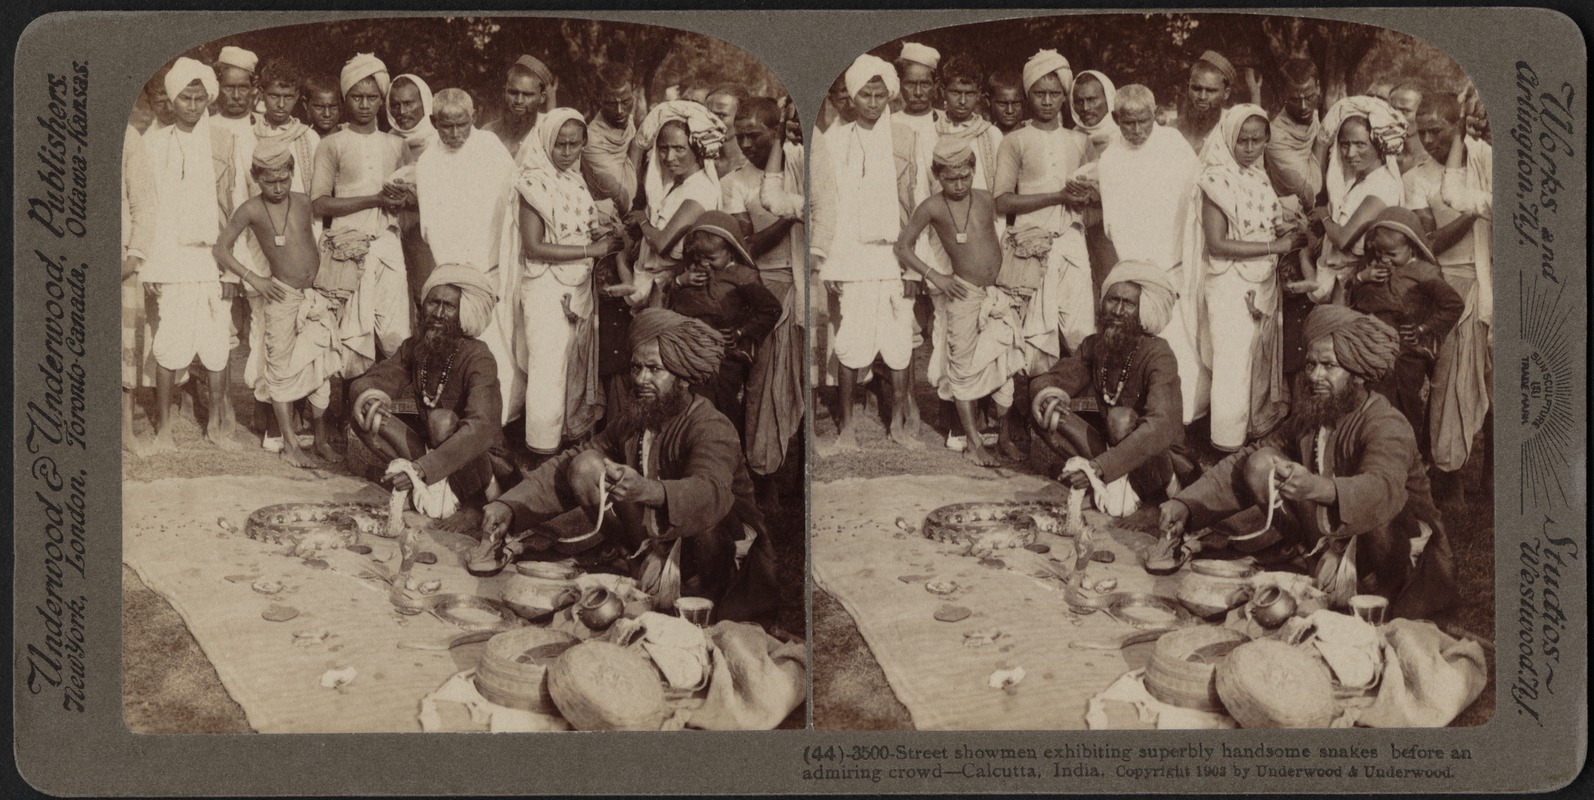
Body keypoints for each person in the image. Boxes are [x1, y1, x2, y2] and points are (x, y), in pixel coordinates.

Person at [1159, 305, 1456, 621]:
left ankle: (1382, 598)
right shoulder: (1313, 415)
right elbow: (1248, 459)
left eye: (1329, 366)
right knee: (1261, 463)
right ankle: (1318, 566)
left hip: (1403, 553)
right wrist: (1186, 505)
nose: (1315, 376)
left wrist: (1320, 487)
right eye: (1311, 364)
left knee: (1382, 513)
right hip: (1339, 541)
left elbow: (1382, 489)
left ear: (1358, 374)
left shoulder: (1387, 424)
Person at [480, 308, 776, 623]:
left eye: (654, 369)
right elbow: (569, 465)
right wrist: (508, 507)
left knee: (711, 523)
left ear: (684, 377)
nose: (640, 379)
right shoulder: (635, 421)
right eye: (636, 367)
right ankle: (644, 559)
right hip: (662, 541)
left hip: (724, 555)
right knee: (584, 466)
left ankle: (705, 604)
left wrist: (648, 490)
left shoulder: (711, 426)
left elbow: (709, 492)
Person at [350, 265, 518, 532]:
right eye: (433, 303)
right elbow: (376, 378)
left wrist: (421, 469)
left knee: (442, 422)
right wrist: (370, 395)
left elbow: (481, 428)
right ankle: (421, 489)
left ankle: (475, 504)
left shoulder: (479, 356)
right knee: (366, 411)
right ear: (423, 304)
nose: (438, 314)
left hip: (481, 461)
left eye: (449, 306)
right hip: (431, 454)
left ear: (464, 311)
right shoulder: (416, 346)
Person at [816, 55, 925, 453]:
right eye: (866, 94)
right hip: (853, 256)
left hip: (895, 258)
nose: (874, 102)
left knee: (898, 341)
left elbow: (917, 203)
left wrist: (914, 270)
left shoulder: (903, 138)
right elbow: (833, 205)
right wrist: (832, 261)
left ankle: (896, 424)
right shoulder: (835, 140)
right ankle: (846, 429)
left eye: (881, 95)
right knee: (852, 342)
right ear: (852, 95)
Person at [213, 142, 344, 467]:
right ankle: (289, 445)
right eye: (269, 181)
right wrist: (254, 279)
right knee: (280, 371)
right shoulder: (251, 209)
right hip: (282, 297)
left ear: (292, 174)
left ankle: (321, 440)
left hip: (316, 296)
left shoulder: (302, 202)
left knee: (320, 367)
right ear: (257, 177)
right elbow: (221, 249)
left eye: (283, 180)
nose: (277, 187)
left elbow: (333, 213)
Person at [896, 140, 1022, 467]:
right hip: (963, 293)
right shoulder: (932, 206)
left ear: (974, 171)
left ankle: (1005, 438)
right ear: (938, 175)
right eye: (951, 179)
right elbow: (903, 247)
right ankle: (973, 442)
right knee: (962, 368)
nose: (959, 184)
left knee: (1005, 363)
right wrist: (935, 276)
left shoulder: (984, 198)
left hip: (999, 292)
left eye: (965, 176)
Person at [1029, 261, 1190, 515]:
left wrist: (1099, 467)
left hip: (1161, 461)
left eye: (1128, 304)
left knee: (1120, 418)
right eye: (1112, 300)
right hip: (1113, 453)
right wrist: (1047, 393)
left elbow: (1158, 429)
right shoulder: (1095, 345)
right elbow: (1053, 378)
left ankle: (1150, 499)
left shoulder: (1159, 354)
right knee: (1045, 406)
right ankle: (1111, 483)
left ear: (1144, 310)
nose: (1117, 310)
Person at [506, 106, 622, 454]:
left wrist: (600, 233)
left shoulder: (574, 178)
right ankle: (540, 453)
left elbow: (576, 226)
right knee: (548, 372)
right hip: (545, 288)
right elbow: (534, 247)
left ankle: (566, 449)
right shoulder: (533, 181)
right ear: (545, 142)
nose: (568, 152)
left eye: (575, 144)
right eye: (560, 144)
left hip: (576, 285)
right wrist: (593, 248)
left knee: (572, 367)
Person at [141, 58, 241, 452]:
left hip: (212, 259)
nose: (193, 105)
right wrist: (149, 261)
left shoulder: (221, 140)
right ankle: (164, 428)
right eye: (186, 97)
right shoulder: (154, 143)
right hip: (170, 257)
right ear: (172, 97)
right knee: (170, 341)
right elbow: (151, 207)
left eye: (201, 97)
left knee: (217, 342)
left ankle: (216, 424)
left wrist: (232, 272)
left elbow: (234, 206)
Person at [1097, 84, 1206, 423]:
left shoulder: (1174, 145)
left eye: (1143, 121)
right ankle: (1149, 421)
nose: (1138, 130)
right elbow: (1114, 222)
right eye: (1128, 123)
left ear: (1154, 114)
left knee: (1183, 344)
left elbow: (1193, 201)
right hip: (1136, 270)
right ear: (1116, 120)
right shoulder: (1110, 158)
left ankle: (1186, 420)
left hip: (1175, 263)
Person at [1198, 104, 1302, 451]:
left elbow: (1266, 223)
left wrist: (1290, 229)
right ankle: (1223, 447)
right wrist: (1277, 245)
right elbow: (1217, 244)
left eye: (1258, 140)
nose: (1249, 148)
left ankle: (1248, 442)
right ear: (1229, 139)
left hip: (1261, 280)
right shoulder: (1216, 179)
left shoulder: (1258, 177)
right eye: (1242, 140)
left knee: (1256, 361)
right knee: (1232, 367)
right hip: (1230, 283)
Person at [993, 50, 1097, 376]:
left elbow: (1094, 198)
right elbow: (1002, 201)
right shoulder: (1015, 141)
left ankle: (1077, 407)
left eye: (1055, 94)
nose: (1048, 101)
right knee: (1033, 332)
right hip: (1029, 245)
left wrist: (1083, 199)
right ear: (1028, 95)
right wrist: (1057, 196)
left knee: (1080, 327)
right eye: (1040, 93)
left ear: (1065, 97)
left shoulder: (1080, 141)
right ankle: (1030, 414)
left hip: (1072, 242)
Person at [415, 88, 518, 420]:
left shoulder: (491, 149)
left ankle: (496, 427)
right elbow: (432, 225)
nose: (456, 134)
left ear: (474, 117)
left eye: (462, 124)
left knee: (499, 353)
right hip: (451, 274)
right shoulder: (428, 161)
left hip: (492, 269)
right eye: (447, 126)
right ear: (434, 123)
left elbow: (508, 208)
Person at [721, 97, 808, 483]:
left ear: (776, 133)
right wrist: (796, 216)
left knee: (804, 383)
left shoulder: (803, 166)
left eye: (754, 135)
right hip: (767, 290)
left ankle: (799, 473)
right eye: (739, 136)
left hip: (809, 285)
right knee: (765, 388)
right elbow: (748, 246)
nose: (745, 144)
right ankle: (768, 475)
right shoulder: (734, 182)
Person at [1409, 91, 1492, 489]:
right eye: (1420, 131)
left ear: (1455, 127)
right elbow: (1431, 242)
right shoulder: (1417, 177)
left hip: (1493, 279)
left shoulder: (1483, 160)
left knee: (1494, 381)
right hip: (1448, 285)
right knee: (1450, 383)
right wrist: (1478, 210)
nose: (1426, 140)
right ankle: (1449, 479)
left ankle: (1494, 475)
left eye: (1435, 130)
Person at [310, 53, 410, 370]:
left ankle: (390, 407)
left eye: (371, 97)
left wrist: (400, 200)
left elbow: (411, 197)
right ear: (345, 98)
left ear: (382, 100)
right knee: (351, 333)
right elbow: (319, 203)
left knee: (395, 332)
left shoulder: (396, 145)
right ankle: (349, 414)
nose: (364, 104)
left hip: (388, 245)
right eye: (357, 97)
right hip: (346, 247)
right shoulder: (333, 144)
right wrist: (375, 200)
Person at [1347, 207, 1463, 462]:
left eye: (1392, 253)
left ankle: (1407, 463)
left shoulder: (1424, 272)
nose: (1384, 259)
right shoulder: (1371, 267)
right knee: (1368, 406)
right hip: (1370, 350)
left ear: (1412, 247)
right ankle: (1371, 458)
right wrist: (1361, 277)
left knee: (1403, 408)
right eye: (1379, 252)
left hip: (1404, 356)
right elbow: (1353, 299)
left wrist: (1423, 329)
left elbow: (1454, 305)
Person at [665, 213, 782, 428]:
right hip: (687, 351)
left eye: (712, 258)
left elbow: (770, 309)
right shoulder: (690, 271)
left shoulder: (743, 276)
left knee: (717, 408)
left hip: (724, 358)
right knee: (685, 407)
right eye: (700, 256)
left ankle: (724, 450)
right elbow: (671, 304)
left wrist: (741, 332)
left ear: (731, 251)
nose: (704, 263)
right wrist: (680, 282)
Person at [612, 106, 723, 306]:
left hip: (670, 290)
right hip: (649, 282)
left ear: (696, 150)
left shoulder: (700, 189)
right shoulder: (673, 186)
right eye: (663, 148)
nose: (669, 157)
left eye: (679, 148)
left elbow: (662, 243)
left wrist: (643, 220)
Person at [1309, 96, 1406, 305]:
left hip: (1354, 289)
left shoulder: (1382, 185)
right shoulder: (1358, 181)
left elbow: (1344, 239)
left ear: (1378, 146)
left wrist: (1324, 215)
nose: (1350, 153)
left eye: (1360, 144)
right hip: (1336, 284)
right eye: (1344, 145)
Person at [122, 118, 158, 455]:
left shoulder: (127, 135)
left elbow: (144, 202)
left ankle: (125, 432)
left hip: (119, 258)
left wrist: (133, 255)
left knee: (123, 347)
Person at [935, 54, 1004, 193]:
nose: (962, 101)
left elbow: (999, 187)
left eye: (969, 93)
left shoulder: (991, 133)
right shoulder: (931, 133)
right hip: (941, 212)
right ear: (943, 91)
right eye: (956, 92)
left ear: (978, 94)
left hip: (984, 211)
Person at [1265, 58, 1324, 208]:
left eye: (1309, 97)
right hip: (1296, 219)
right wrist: (1323, 140)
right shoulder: (1276, 136)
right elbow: (1310, 194)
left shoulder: (1317, 117)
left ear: (1318, 87)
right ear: (1284, 94)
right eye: (1295, 99)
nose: (1304, 107)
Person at [582, 62, 639, 213]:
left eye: (626, 102)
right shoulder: (592, 140)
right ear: (600, 99)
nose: (620, 111)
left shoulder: (631, 122)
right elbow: (625, 201)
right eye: (611, 104)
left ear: (634, 92)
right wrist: (637, 147)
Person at [482, 55, 552, 163]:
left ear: (542, 98)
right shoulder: (488, 132)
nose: (519, 101)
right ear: (504, 92)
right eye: (513, 92)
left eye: (527, 95)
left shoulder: (549, 132)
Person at [1177, 51, 1234, 159]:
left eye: (1211, 91)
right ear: (1188, 87)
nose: (1202, 97)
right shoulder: (1172, 130)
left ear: (1226, 93)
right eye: (1196, 88)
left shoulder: (1233, 131)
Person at [894, 42, 941, 140]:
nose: (918, 92)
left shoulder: (947, 121)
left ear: (935, 85)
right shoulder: (889, 124)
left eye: (925, 84)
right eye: (910, 84)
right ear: (899, 84)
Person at [705, 84, 750, 176]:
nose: (711, 121)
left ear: (741, 117)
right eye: (707, 115)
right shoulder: (700, 163)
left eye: (721, 115)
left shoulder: (751, 165)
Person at [1389, 83, 1431, 175]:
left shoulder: (1434, 161)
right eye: (1391, 110)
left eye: (1405, 111)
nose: (1395, 117)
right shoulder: (1384, 158)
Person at [985, 70, 1026, 135]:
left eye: (1016, 103)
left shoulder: (1034, 136)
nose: (1010, 111)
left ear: (1024, 101)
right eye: (1002, 103)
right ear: (988, 101)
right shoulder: (983, 138)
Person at [304, 74, 343, 139]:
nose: (327, 114)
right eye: (319, 107)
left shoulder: (352, 139)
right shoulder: (299, 141)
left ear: (341, 105)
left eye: (333, 107)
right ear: (305, 104)